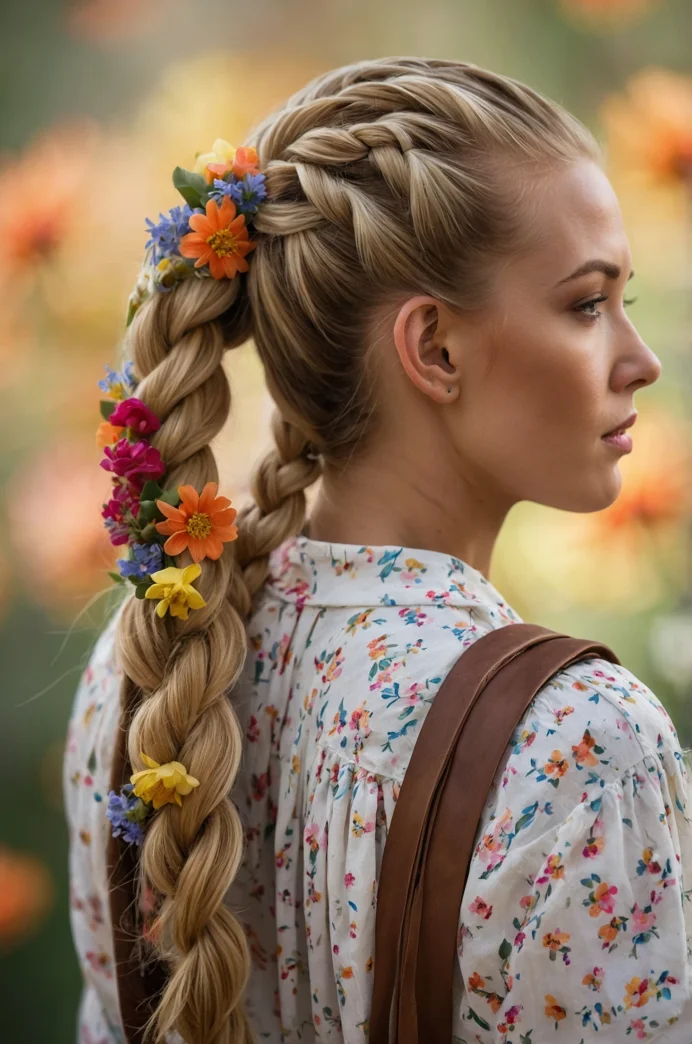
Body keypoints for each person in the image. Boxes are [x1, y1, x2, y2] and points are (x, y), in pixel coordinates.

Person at [63, 56, 692, 1044]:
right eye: (584, 303)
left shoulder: (138, 680)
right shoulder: (579, 743)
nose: (637, 360)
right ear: (432, 349)